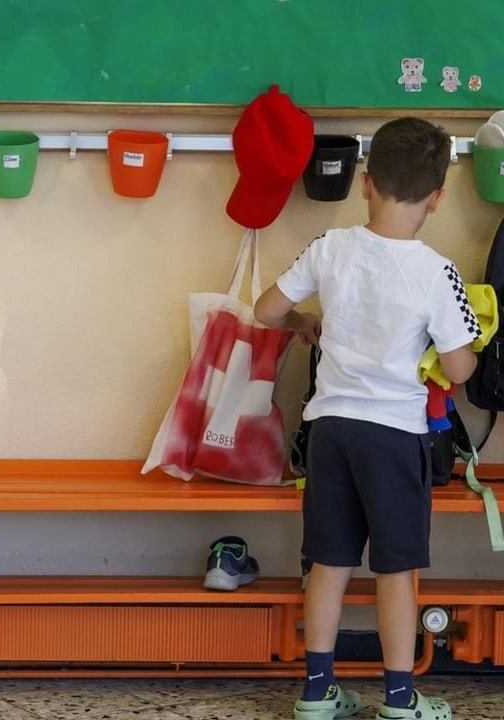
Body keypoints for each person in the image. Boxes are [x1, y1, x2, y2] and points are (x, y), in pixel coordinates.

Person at [254, 117, 479, 720]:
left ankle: (317, 692)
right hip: (394, 437)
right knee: (395, 571)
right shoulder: (438, 272)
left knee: (327, 564)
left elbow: (266, 308)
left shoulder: (329, 248)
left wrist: (305, 323)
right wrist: (458, 344)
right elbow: (459, 371)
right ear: (438, 196)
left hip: (330, 430)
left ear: (366, 183)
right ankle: (402, 700)